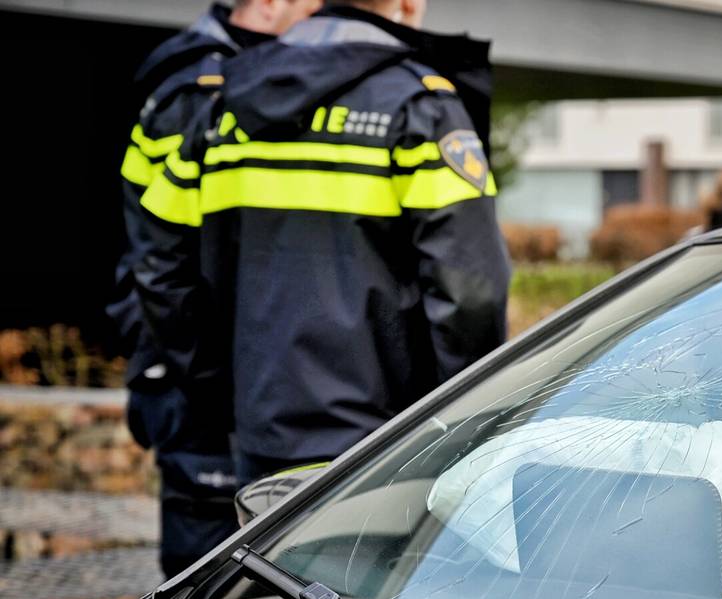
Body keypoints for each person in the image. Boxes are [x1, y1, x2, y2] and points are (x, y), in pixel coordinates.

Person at [134, 0, 511, 483]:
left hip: (257, 434)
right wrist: (454, 424)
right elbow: (470, 291)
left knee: (265, 559)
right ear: (407, 4)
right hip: (386, 446)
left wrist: (220, 389)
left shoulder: (222, 106)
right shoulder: (419, 104)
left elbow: (162, 266)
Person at [113, 0, 320, 579]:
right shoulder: (201, 89)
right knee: (206, 591)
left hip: (221, 383)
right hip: (202, 394)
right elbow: (158, 260)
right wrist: (215, 382)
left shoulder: (236, 79)